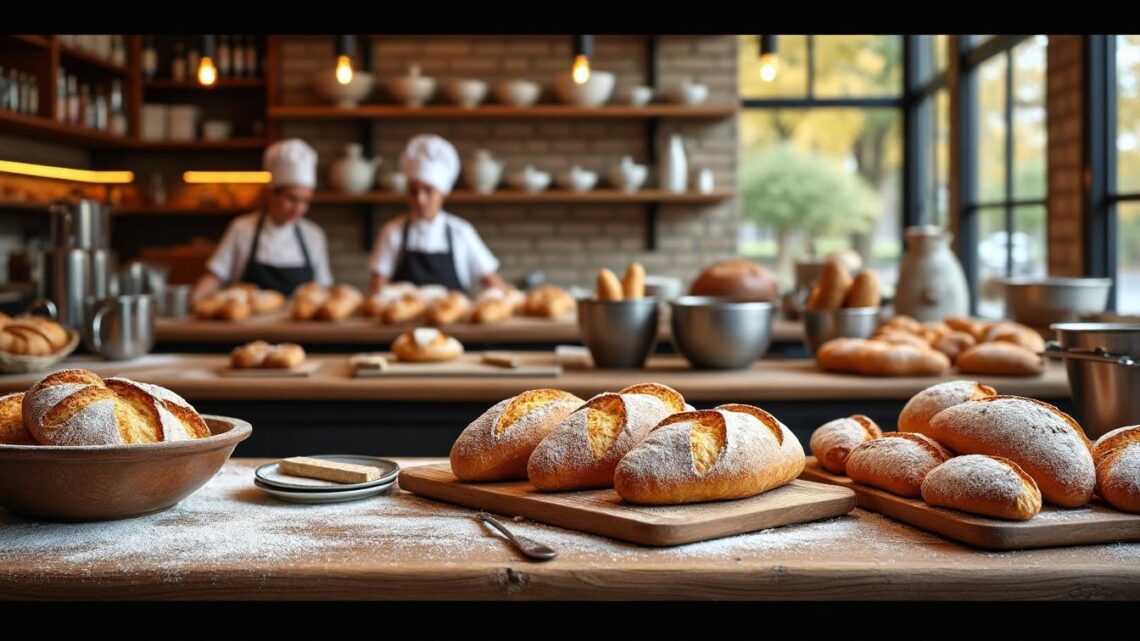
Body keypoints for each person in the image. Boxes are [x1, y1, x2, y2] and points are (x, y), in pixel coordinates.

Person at [192, 138, 333, 303]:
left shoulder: (313, 235)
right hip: (248, 327)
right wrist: (196, 299)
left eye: (305, 201)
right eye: (292, 199)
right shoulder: (241, 229)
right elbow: (215, 276)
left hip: (299, 327)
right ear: (271, 193)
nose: (299, 208)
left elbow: (323, 288)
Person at [368, 134, 502, 295]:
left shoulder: (461, 231)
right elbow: (377, 289)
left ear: (443, 192)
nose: (420, 199)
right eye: (413, 191)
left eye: (428, 191)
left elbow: (493, 282)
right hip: (405, 319)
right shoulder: (392, 231)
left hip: (453, 319)